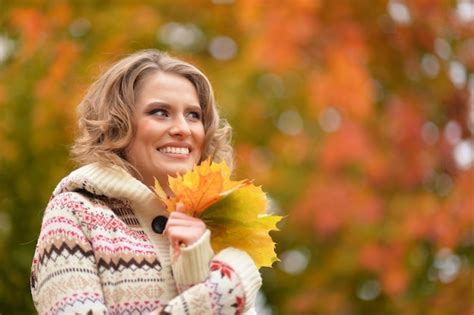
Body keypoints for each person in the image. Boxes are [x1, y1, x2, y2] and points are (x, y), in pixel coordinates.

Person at [30, 49, 262, 314]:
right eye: (160, 112)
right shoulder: (75, 212)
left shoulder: (220, 226)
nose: (182, 129)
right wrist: (220, 293)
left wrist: (198, 262)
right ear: (119, 124)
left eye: (193, 115)